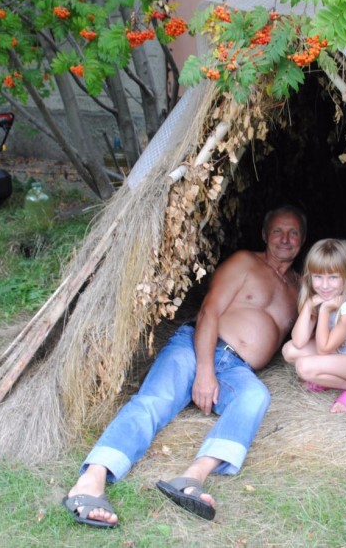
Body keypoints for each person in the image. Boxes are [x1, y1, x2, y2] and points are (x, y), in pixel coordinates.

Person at [61, 206, 306, 528]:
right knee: (155, 402)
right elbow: (209, 313)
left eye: (293, 233)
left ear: (303, 240)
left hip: (237, 369)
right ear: (264, 234)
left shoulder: (300, 287)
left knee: (255, 397)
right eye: (278, 231)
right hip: (198, 347)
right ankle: (91, 480)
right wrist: (204, 370)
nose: (285, 239)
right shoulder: (245, 262)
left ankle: (192, 478)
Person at [282, 238, 346, 414]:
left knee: (304, 368)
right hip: (342, 353)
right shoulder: (321, 297)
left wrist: (324, 310)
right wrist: (309, 305)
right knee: (289, 351)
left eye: (333, 277)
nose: (324, 285)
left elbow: (323, 350)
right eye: (318, 277)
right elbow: (299, 341)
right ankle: (328, 378)